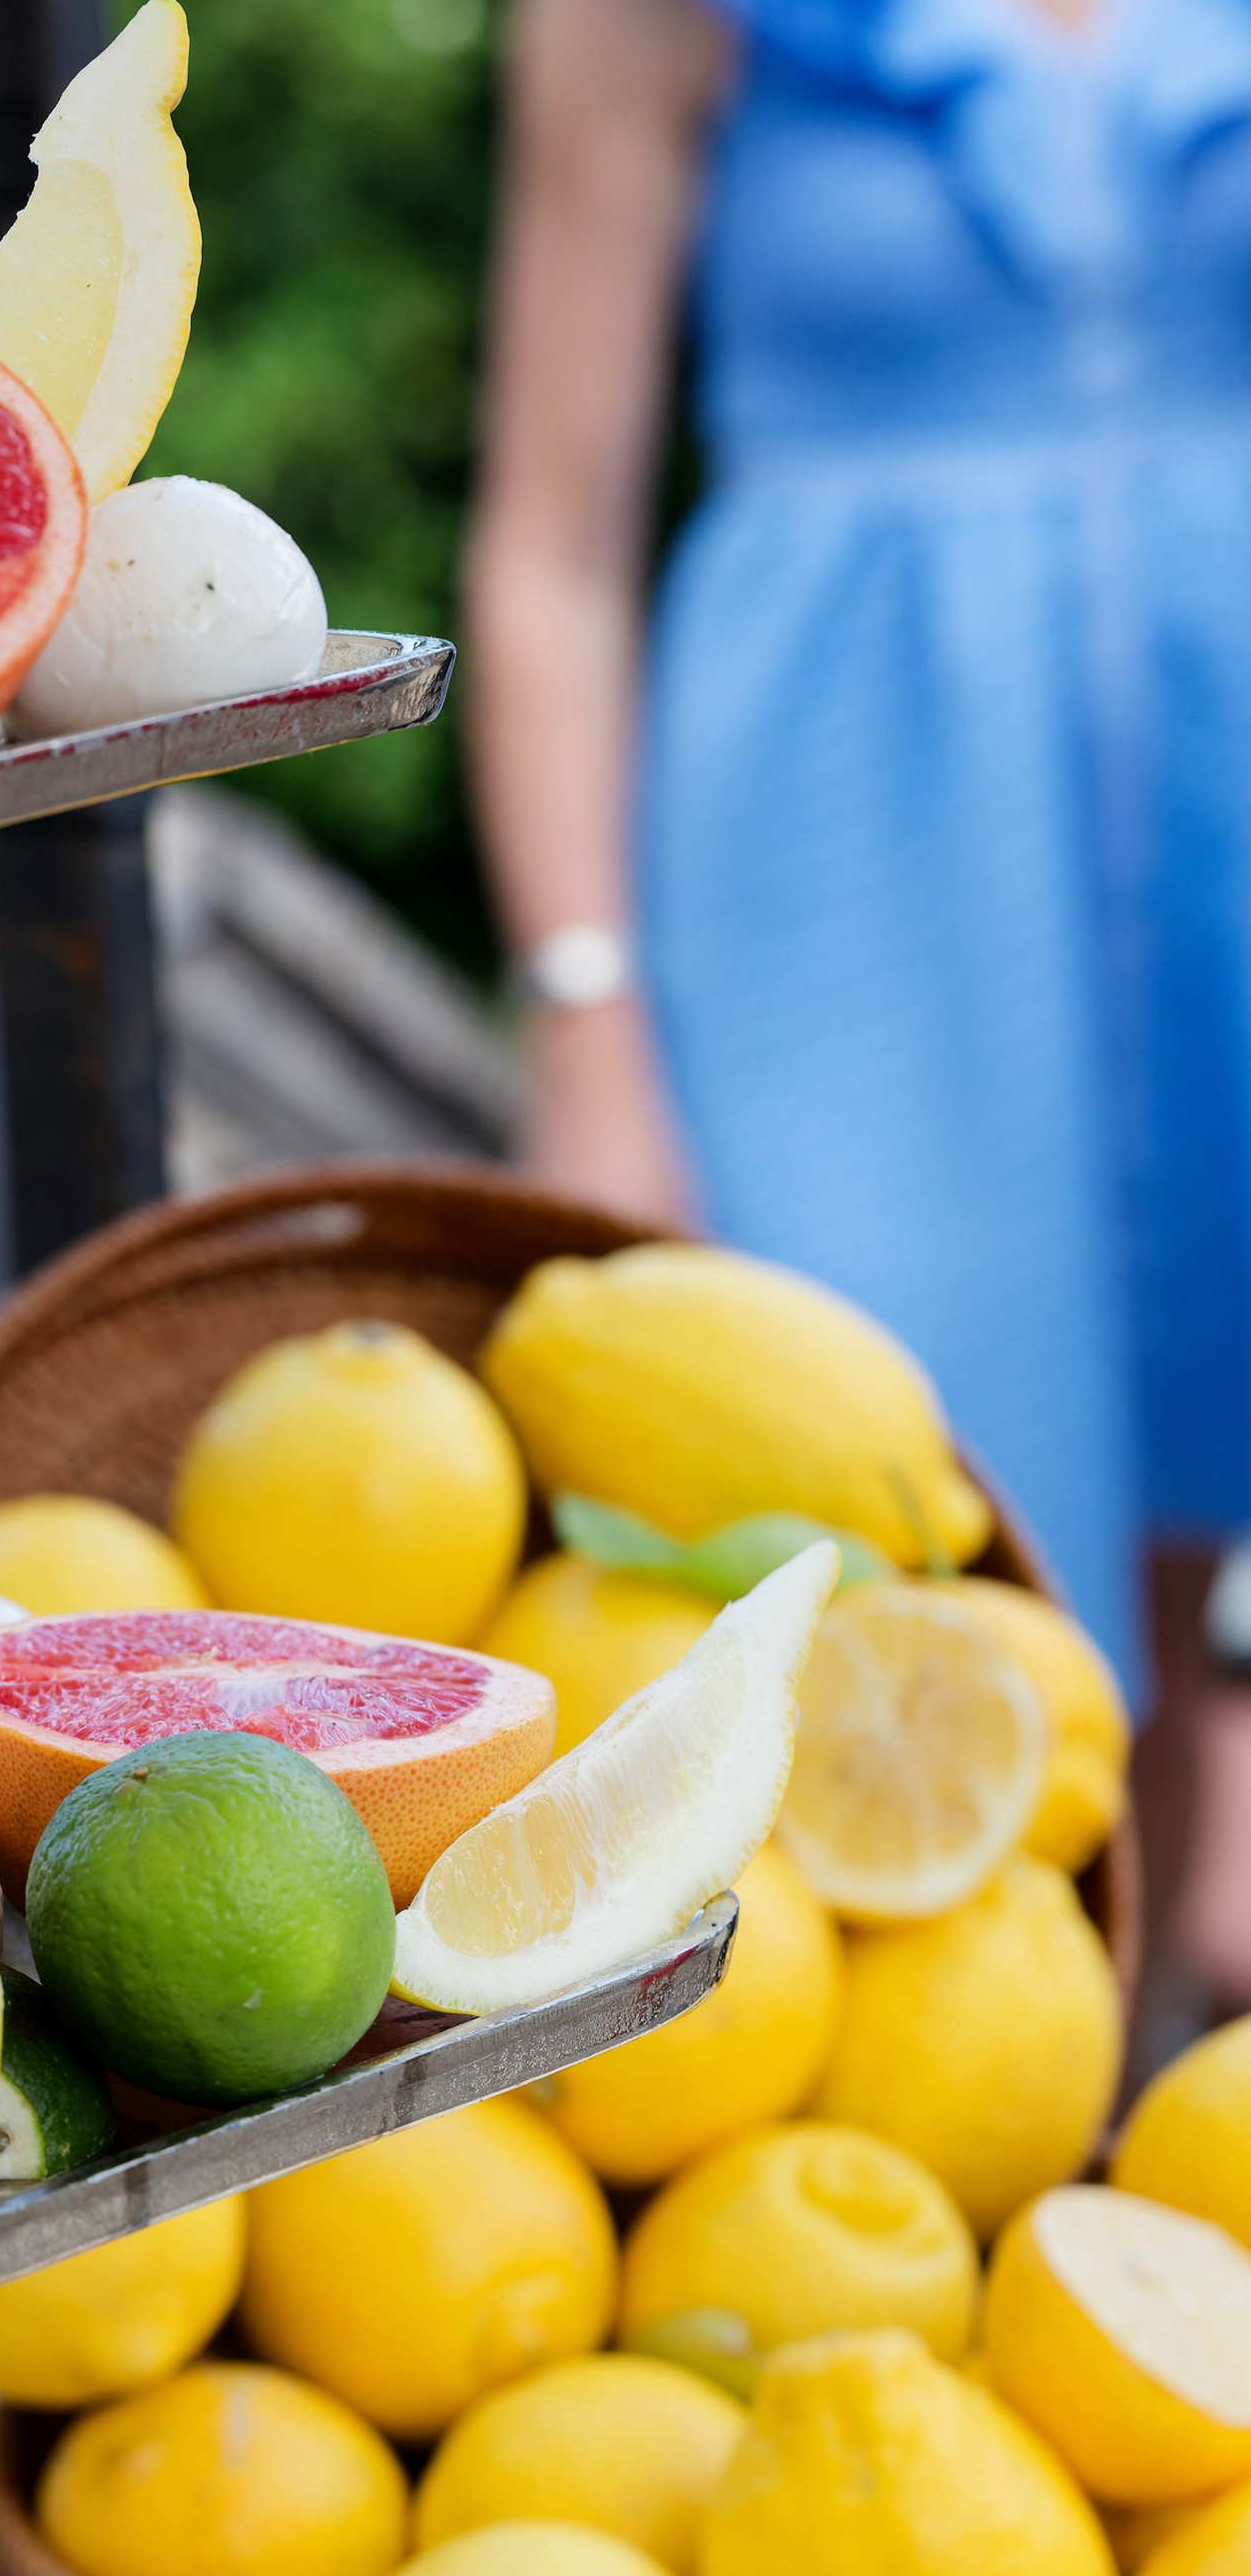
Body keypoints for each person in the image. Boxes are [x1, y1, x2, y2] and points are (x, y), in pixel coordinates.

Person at [462, 0, 1251, 1696]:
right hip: (859, 888)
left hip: (1224, 848)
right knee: (903, 1541)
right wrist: (587, 1028)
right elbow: (551, 557)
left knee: (1182, 1559)